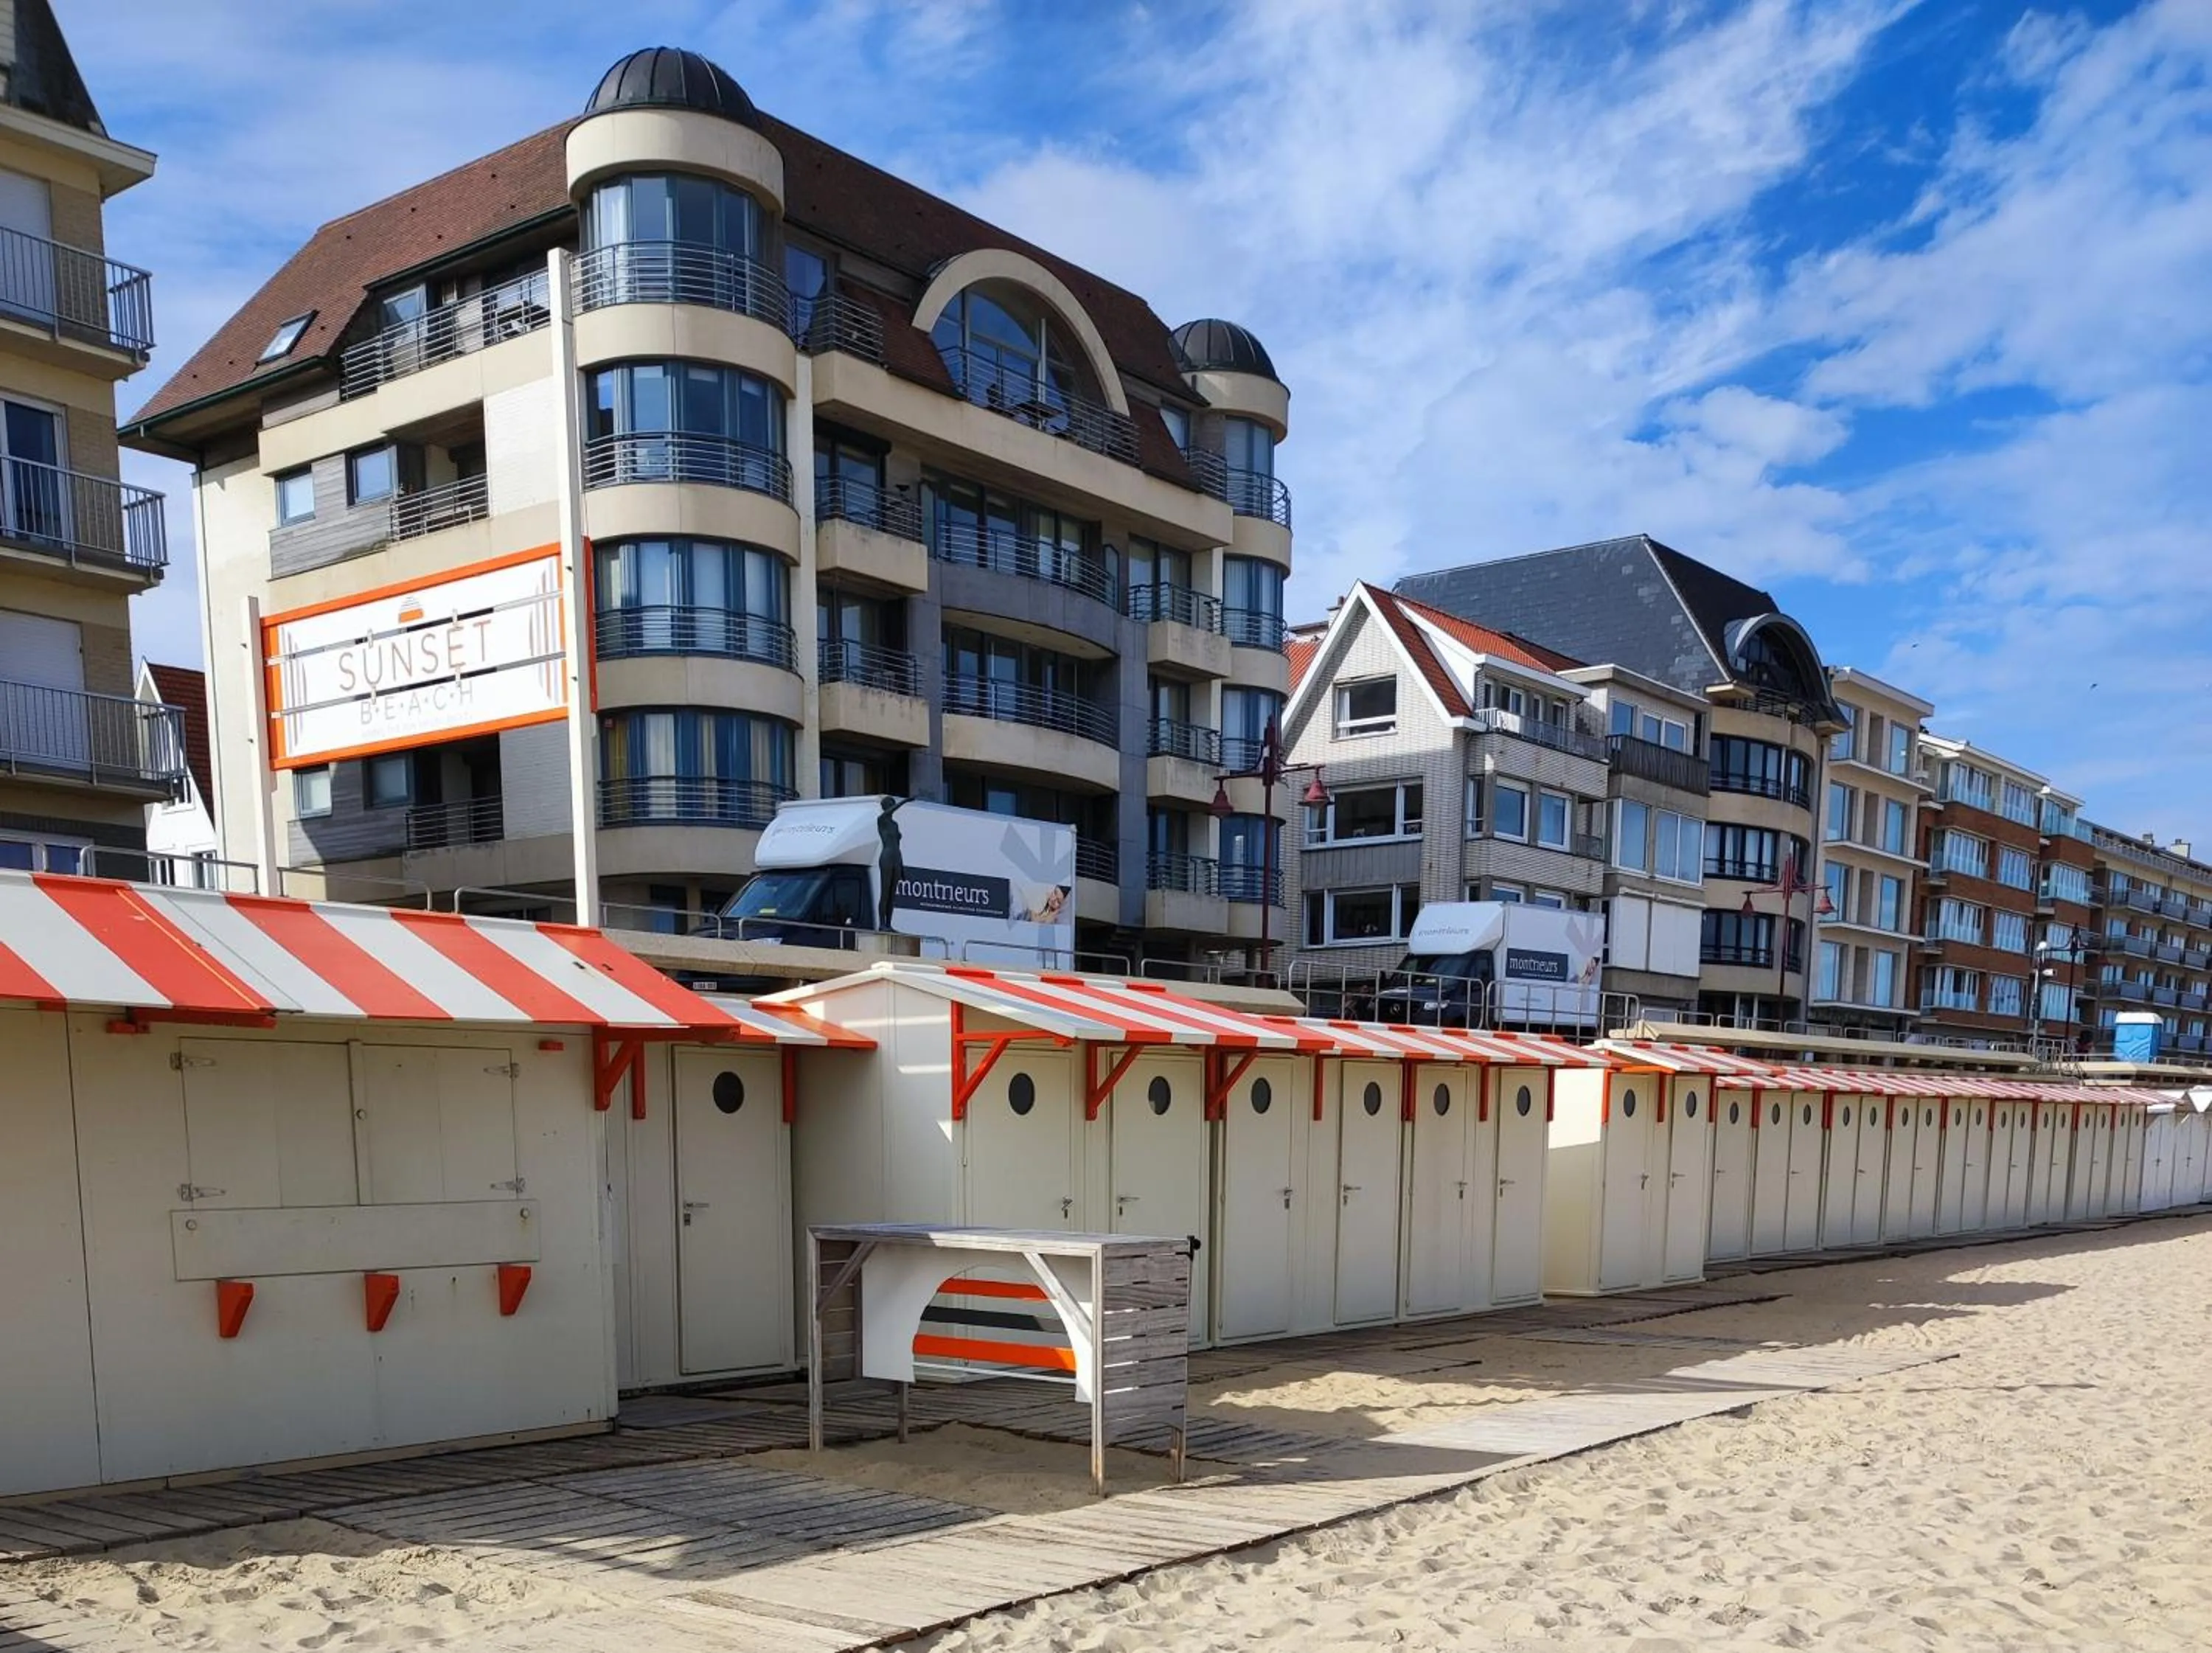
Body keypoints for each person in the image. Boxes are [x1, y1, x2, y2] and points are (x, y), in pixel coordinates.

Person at [874, 797, 903, 933]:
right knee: (885, 893)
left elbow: (898, 846)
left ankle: (889, 924)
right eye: (891, 804)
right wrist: (905, 802)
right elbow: (888, 813)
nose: (894, 806)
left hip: (896, 858)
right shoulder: (881, 820)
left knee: (892, 895)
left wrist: (902, 868)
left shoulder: (895, 825)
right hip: (886, 857)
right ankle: (881, 924)